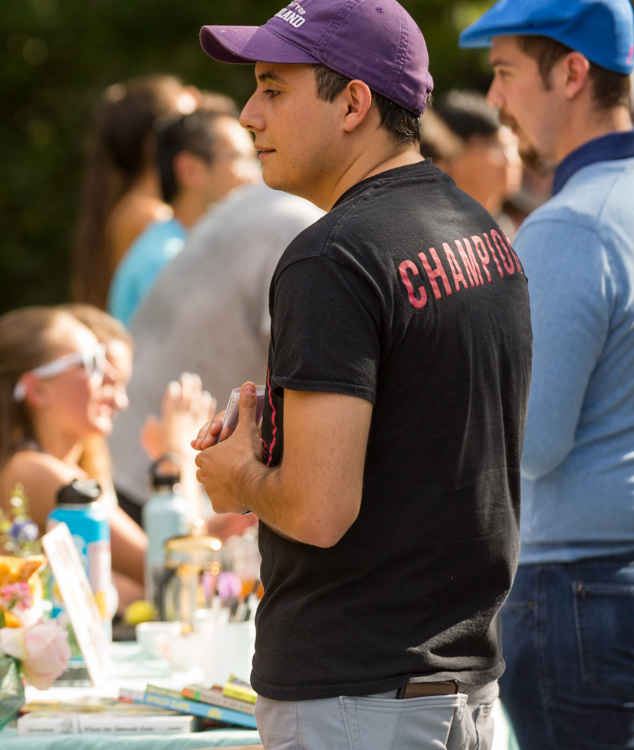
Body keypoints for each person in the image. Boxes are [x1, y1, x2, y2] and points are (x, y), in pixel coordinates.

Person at [192, 1, 532, 747]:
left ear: (352, 102)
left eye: (273, 89)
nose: (249, 115)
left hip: (357, 694)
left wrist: (234, 475)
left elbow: (319, 508)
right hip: (461, 687)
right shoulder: (483, 233)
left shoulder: (330, 257)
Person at [458, 1, 634, 746]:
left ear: (570, 72)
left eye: (503, 73)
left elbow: (527, 441)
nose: (493, 99)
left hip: (581, 592)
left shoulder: (571, 222)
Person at [108, 183, 323, 524]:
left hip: (156, 453)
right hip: (158, 462)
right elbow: (309, 369)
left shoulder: (266, 205)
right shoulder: (299, 225)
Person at [0, 305, 146, 601]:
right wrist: (179, 454)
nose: (112, 376)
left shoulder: (31, 467)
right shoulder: (36, 473)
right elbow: (160, 566)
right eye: (90, 363)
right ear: (38, 391)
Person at [107, 110, 259, 327]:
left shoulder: (181, 246)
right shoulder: (167, 261)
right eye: (238, 158)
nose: (254, 176)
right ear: (190, 170)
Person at [71, 75, 199, 308]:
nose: (202, 135)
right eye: (187, 125)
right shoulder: (150, 217)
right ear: (156, 143)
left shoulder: (136, 209)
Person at [430, 90, 524, 236]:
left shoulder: (507, 229)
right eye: (495, 145)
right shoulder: (430, 231)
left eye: (512, 146)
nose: (512, 159)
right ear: (452, 156)